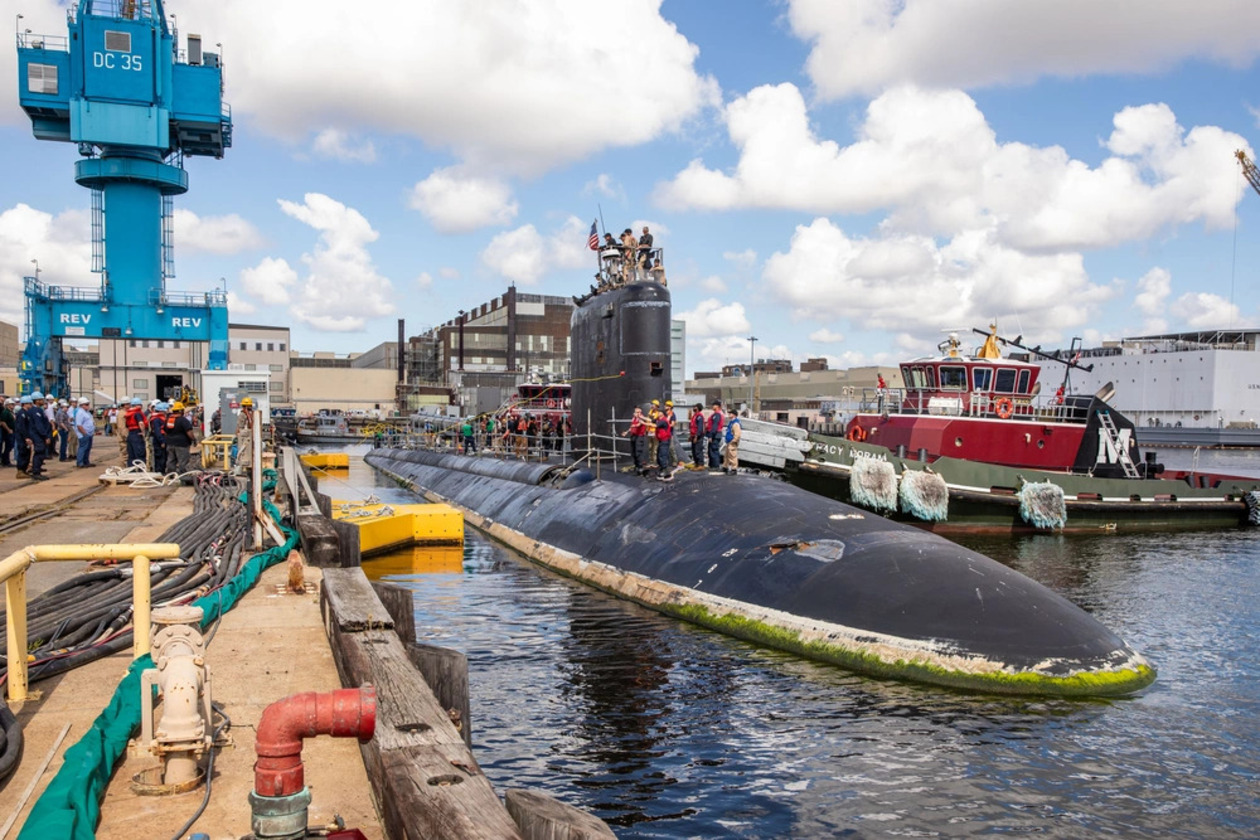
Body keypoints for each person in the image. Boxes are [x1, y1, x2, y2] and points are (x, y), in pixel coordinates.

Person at [164, 401, 197, 474]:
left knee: (171, 460)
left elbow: (165, 431)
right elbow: (189, 432)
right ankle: (183, 477)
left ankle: (170, 475)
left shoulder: (168, 420)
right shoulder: (183, 420)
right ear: (181, 411)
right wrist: (194, 439)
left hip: (170, 444)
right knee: (183, 461)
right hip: (182, 444)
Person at [27, 392, 52, 480]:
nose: (42, 401)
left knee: (41, 453)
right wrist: (45, 436)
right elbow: (39, 426)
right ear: (37, 401)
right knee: (39, 453)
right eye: (41, 400)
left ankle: (37, 469)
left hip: (38, 435)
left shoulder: (39, 410)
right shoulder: (36, 411)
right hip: (38, 436)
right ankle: (36, 472)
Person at [622, 405, 649, 474]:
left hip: (639, 437)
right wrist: (626, 432)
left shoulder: (641, 417)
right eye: (635, 411)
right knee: (633, 452)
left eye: (636, 411)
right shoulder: (634, 418)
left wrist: (635, 424)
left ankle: (640, 467)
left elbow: (638, 425)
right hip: (633, 436)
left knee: (638, 452)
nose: (635, 412)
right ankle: (636, 466)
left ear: (640, 411)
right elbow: (632, 426)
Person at [123, 397, 147, 468]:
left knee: (131, 456)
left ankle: (131, 471)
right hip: (137, 435)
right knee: (140, 455)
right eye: (140, 405)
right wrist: (143, 432)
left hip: (130, 435)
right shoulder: (137, 413)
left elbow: (127, 425)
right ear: (137, 405)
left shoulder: (128, 413)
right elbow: (141, 423)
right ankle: (141, 471)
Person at [234, 396, 254, 475]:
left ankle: (243, 469)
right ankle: (242, 469)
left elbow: (239, 428)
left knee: (242, 454)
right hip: (246, 438)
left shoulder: (248, 415)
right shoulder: (245, 415)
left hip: (246, 438)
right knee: (242, 454)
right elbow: (240, 428)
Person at [73, 397, 96, 468]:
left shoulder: (87, 412)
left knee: (88, 448)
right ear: (81, 405)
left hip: (89, 434)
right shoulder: (80, 413)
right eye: (86, 404)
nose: (88, 406)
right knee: (83, 448)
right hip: (83, 434)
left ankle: (86, 461)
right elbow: (79, 425)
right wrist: (84, 433)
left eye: (88, 404)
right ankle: (80, 462)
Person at [654, 403, 674, 478]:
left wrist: (644, 423)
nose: (658, 413)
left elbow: (655, 425)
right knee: (659, 455)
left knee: (663, 455)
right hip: (661, 440)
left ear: (662, 414)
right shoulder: (659, 420)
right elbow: (651, 420)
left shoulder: (663, 421)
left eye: (659, 412)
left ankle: (666, 471)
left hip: (665, 440)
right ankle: (662, 468)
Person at [13, 395, 31, 479]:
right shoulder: (21, 414)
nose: (30, 405)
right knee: (22, 453)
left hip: (25, 436)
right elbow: (21, 427)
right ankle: (20, 471)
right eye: (29, 403)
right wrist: (26, 437)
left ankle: (24, 470)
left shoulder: (26, 413)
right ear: (24, 404)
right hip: (21, 438)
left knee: (27, 453)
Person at [149, 402, 168, 473]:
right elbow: (157, 431)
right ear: (161, 411)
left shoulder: (158, 418)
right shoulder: (157, 419)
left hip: (161, 438)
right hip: (159, 440)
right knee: (160, 457)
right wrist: (162, 441)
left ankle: (161, 471)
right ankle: (159, 472)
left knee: (163, 457)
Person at [706, 400, 725, 471]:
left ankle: (715, 466)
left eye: (714, 405)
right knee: (711, 450)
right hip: (716, 434)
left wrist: (710, 435)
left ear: (718, 406)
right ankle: (712, 465)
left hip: (715, 435)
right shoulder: (717, 414)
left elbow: (714, 426)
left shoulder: (717, 415)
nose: (712, 406)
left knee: (714, 450)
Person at [688, 403, 705, 468]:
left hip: (698, 436)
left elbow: (700, 428)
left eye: (695, 407)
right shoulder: (694, 416)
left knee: (698, 450)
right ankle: (696, 463)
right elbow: (692, 427)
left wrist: (696, 436)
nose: (693, 408)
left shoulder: (699, 417)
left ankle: (700, 464)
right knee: (694, 450)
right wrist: (691, 436)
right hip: (693, 436)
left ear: (698, 408)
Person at [0, 398, 14, 467]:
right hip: (8, 432)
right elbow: (3, 422)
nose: (13, 406)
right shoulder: (5, 412)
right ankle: (5, 460)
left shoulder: (11, 412)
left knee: (10, 446)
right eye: (11, 404)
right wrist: (8, 430)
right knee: (8, 446)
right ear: (7, 405)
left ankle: (6, 459)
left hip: (12, 431)